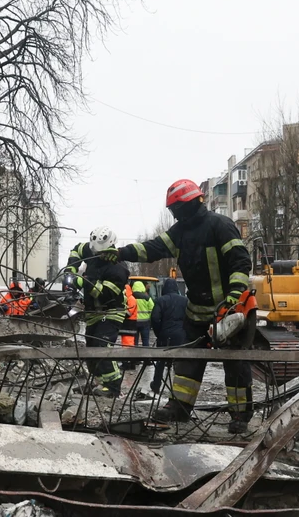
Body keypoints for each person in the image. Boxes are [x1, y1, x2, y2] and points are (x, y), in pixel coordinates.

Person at [114, 179, 255, 434]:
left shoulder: (219, 226)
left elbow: (240, 262)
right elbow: (152, 249)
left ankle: (240, 415)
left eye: (175, 210)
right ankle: (180, 407)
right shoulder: (179, 232)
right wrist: (121, 252)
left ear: (186, 205)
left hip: (228, 311)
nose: (174, 215)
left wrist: (234, 295)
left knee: (235, 365)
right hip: (197, 311)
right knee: (187, 362)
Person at [65, 226, 130, 397]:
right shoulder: (92, 250)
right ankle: (98, 383)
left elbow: (105, 293)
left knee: (103, 345)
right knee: (91, 349)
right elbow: (77, 250)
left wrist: (83, 282)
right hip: (93, 313)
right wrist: (70, 269)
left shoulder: (119, 268)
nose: (98, 255)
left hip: (111, 311)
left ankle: (113, 387)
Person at [150, 278, 188, 394]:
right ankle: (179, 388)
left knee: (160, 362)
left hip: (164, 335)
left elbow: (155, 318)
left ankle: (156, 385)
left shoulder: (160, 300)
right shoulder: (185, 301)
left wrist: (159, 333)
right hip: (180, 336)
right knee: (180, 362)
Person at [133, 281, 154, 348]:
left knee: (134, 341)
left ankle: (134, 356)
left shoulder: (131, 297)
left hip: (134, 322)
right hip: (145, 322)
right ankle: (146, 356)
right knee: (145, 341)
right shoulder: (147, 297)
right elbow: (152, 308)